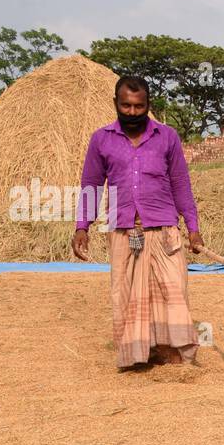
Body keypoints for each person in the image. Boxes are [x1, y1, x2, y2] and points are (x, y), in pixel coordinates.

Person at [73, 74, 204, 369]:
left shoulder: (167, 137)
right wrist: (82, 226)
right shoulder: (101, 139)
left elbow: (181, 184)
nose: (132, 112)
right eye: (126, 106)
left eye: (138, 106)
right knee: (127, 295)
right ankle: (137, 355)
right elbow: (91, 185)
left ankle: (174, 353)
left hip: (164, 231)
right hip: (122, 231)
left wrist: (193, 229)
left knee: (173, 292)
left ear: (148, 105)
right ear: (116, 104)